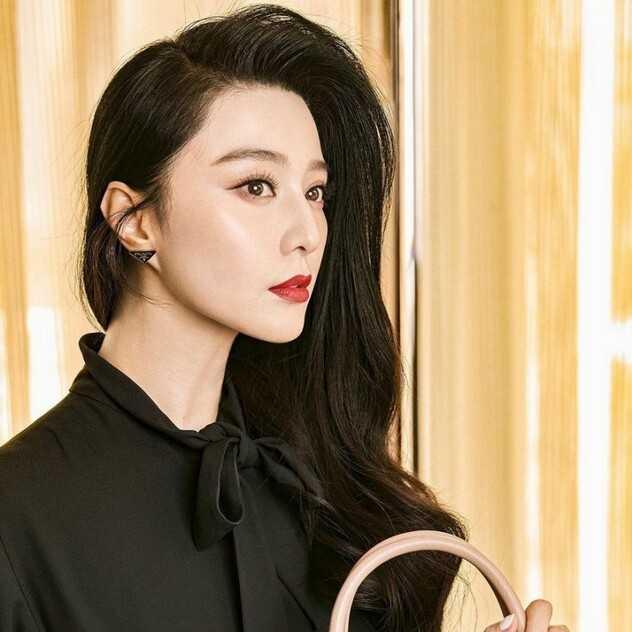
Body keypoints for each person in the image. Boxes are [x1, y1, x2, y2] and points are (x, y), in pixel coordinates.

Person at [0, 4, 561, 632]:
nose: (308, 233)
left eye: (314, 192)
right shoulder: (18, 519)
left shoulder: (323, 490)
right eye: (256, 186)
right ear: (134, 220)